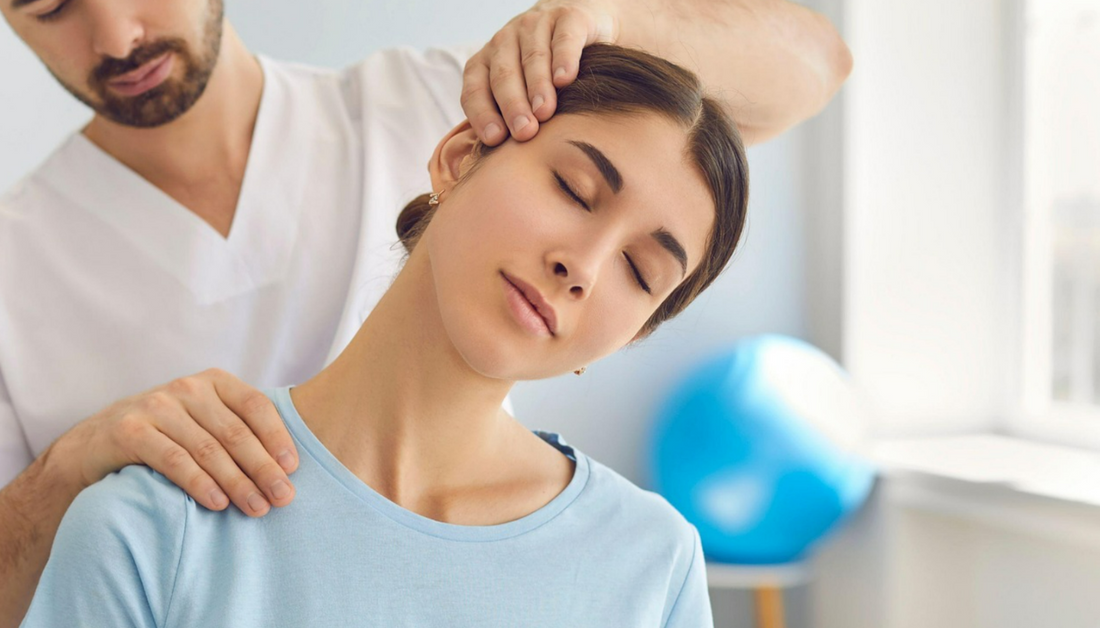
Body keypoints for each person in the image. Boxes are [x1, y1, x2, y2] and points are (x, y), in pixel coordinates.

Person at [0, 0, 851, 624]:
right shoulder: (141, 527)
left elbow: (813, 66)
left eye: (638, 270)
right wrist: (70, 475)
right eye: (49, 5)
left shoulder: (448, 98)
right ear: (454, 164)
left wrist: (599, 18)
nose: (117, 37)